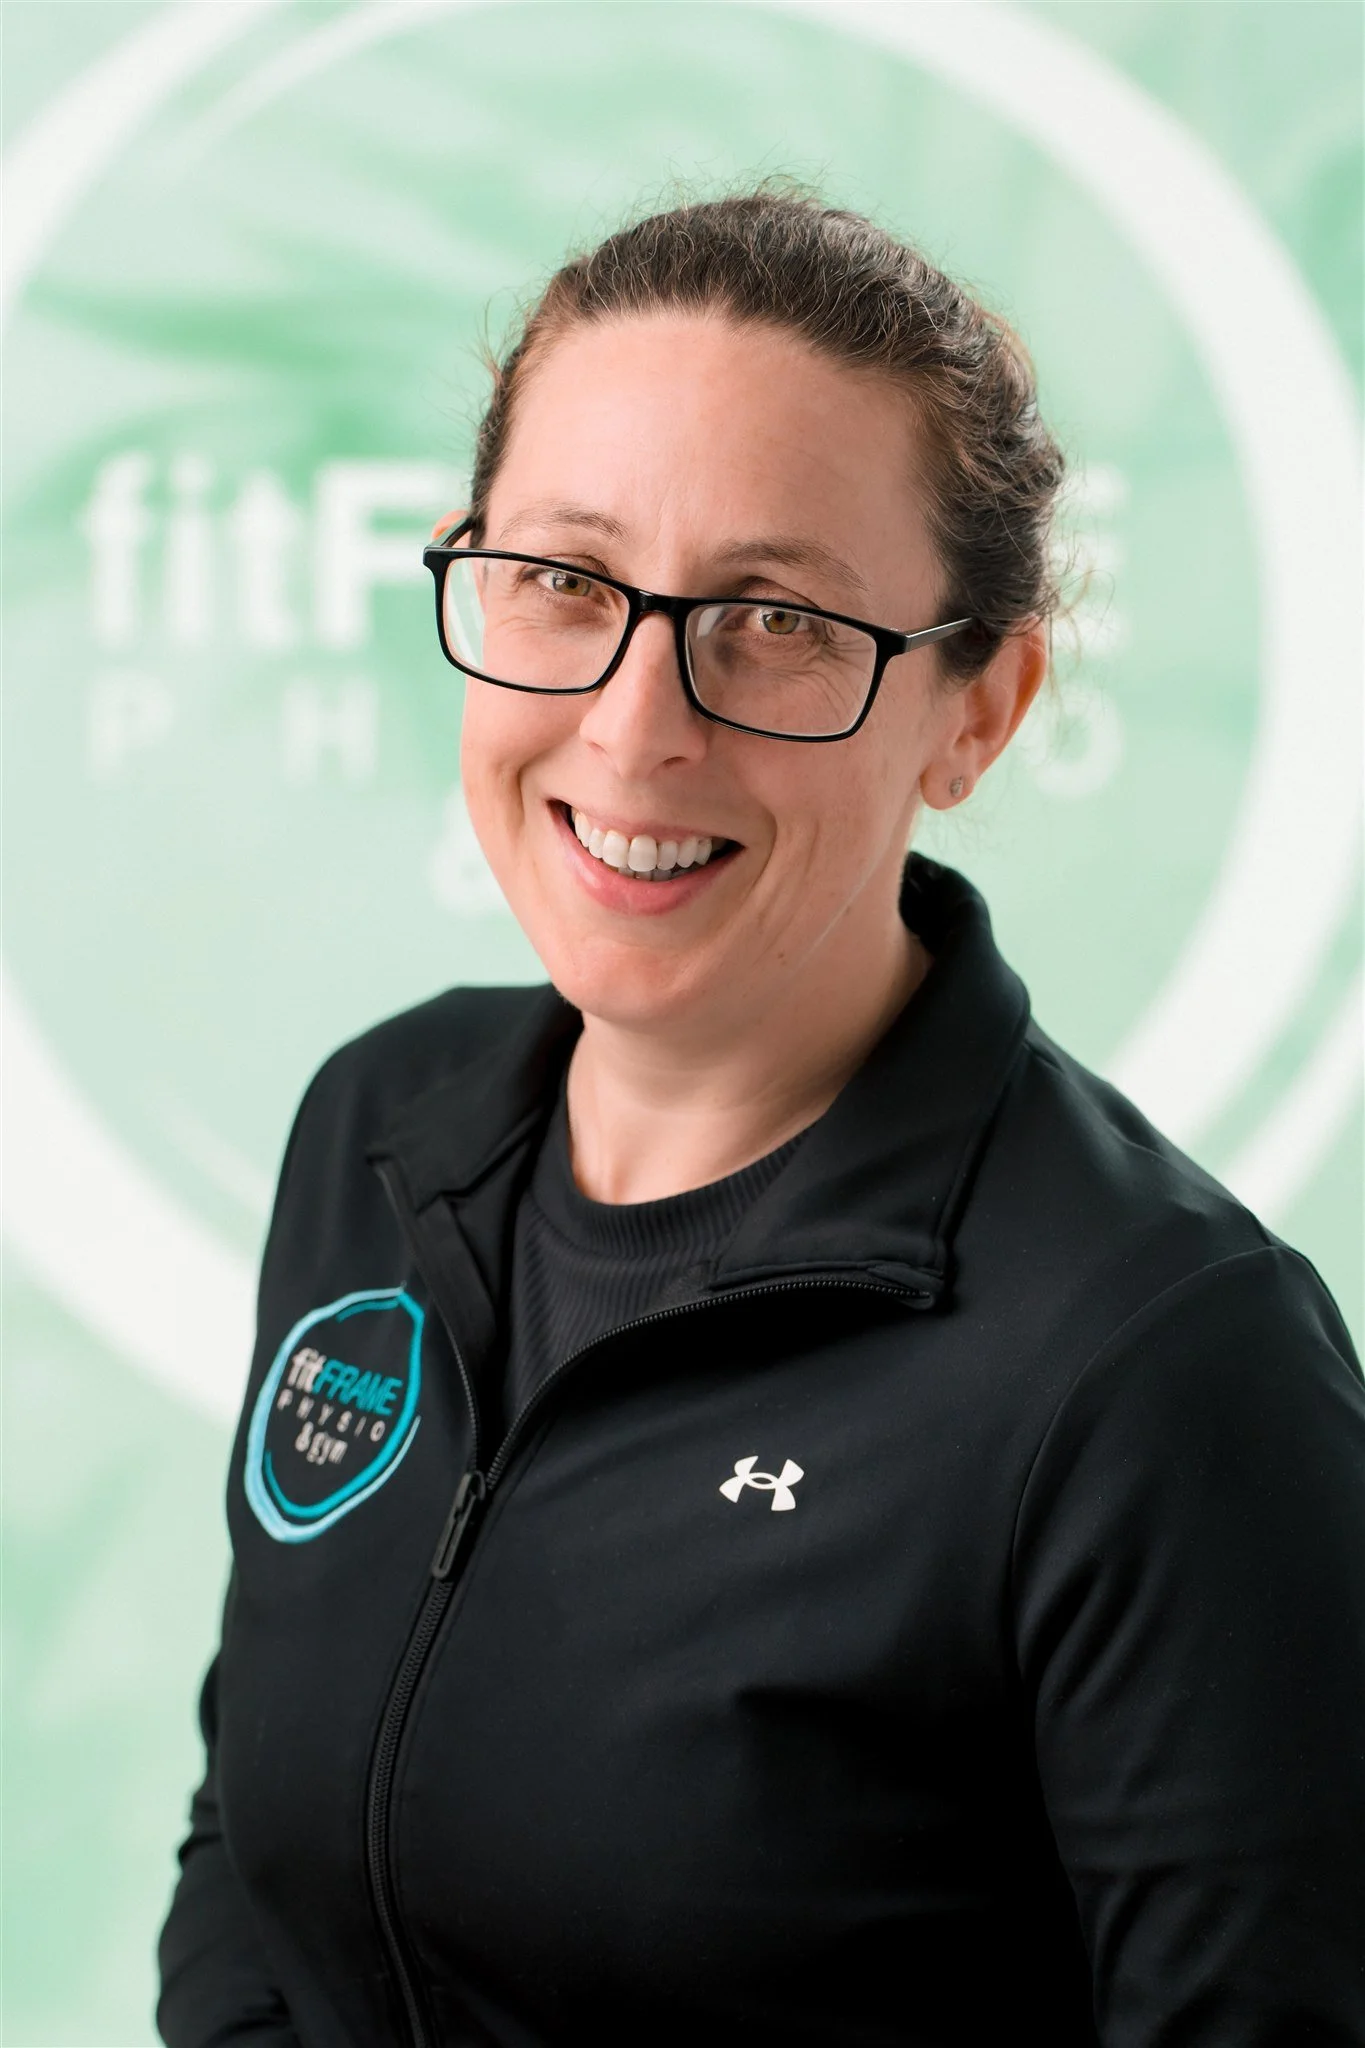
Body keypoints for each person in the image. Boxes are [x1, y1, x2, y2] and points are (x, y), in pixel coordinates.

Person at [157, 189, 1365, 2048]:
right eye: (565, 582)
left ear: (981, 708)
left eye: (774, 622)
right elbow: (252, 1852)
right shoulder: (375, 1133)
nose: (637, 726)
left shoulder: (1162, 1368)